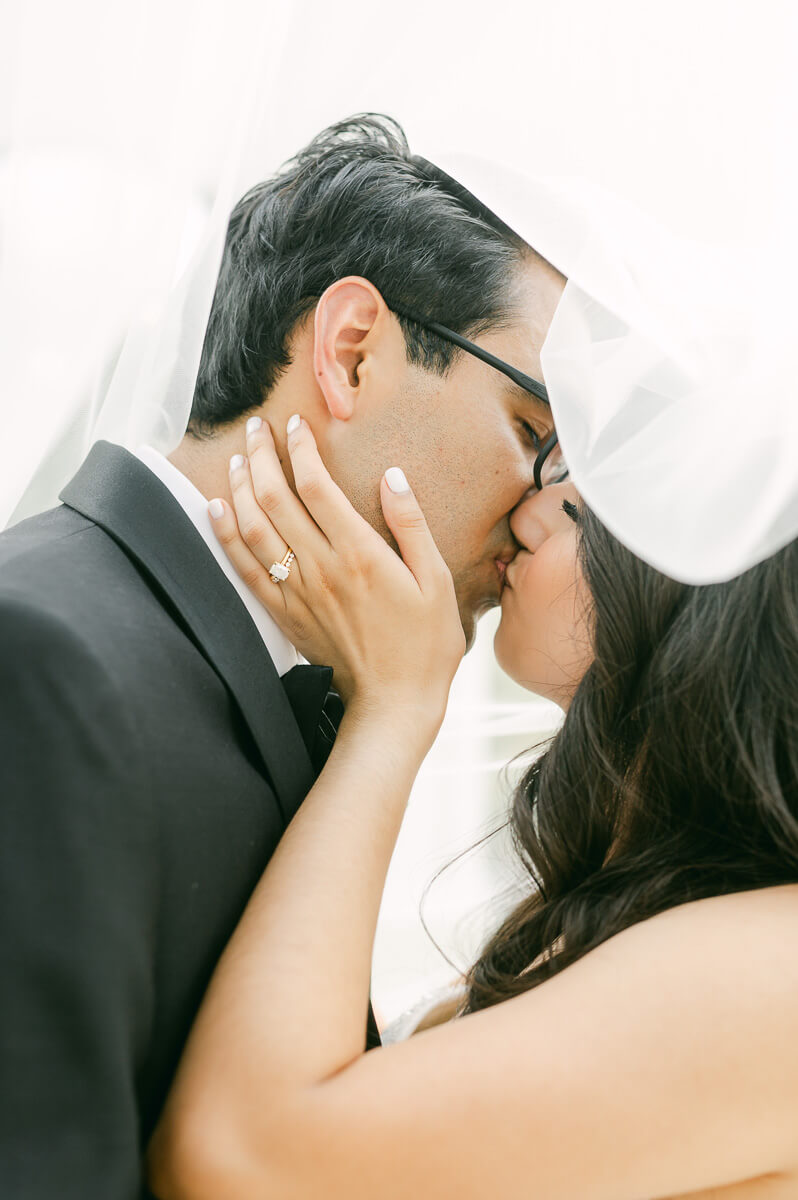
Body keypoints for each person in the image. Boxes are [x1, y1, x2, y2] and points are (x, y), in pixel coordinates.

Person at [0, 114, 564, 1198]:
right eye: (534, 432)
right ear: (351, 351)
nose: (544, 508)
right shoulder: (43, 659)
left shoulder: (279, 678)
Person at [148, 415, 798, 1200]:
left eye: (583, 517)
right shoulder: (632, 903)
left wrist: (391, 712)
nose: (525, 513)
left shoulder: (768, 971)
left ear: (716, 615)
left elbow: (240, 1158)